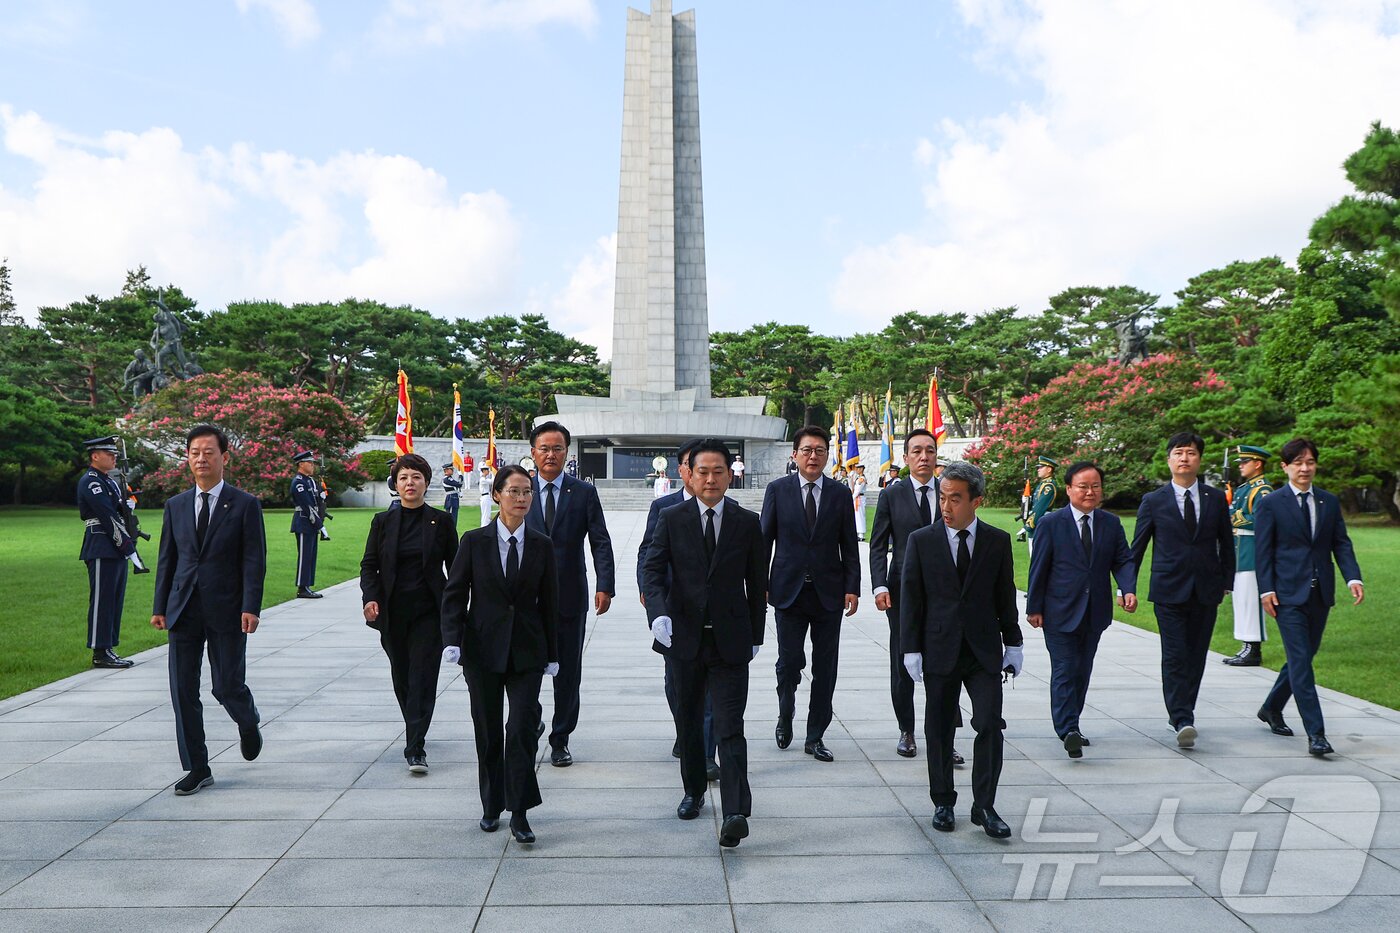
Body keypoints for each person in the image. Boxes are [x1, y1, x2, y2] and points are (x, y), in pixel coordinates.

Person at [643, 439, 768, 848]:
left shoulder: (747, 522)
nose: (711, 479)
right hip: (684, 639)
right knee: (690, 721)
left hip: (731, 642)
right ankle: (693, 790)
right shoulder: (671, 516)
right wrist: (658, 613)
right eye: (703, 472)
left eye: (719, 471)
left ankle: (735, 810)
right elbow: (653, 569)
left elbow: (757, 583)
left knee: (731, 726)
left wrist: (756, 635)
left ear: (731, 475)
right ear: (689, 474)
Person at [901, 461, 1022, 838]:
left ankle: (984, 806)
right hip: (939, 648)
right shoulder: (921, 540)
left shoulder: (997, 541)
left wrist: (1014, 643)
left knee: (989, 724)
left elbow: (1005, 596)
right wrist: (911, 648)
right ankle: (943, 801)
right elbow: (912, 599)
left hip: (983, 651)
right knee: (938, 728)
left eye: (956, 499)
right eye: (942, 497)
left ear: (976, 501)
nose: (946, 506)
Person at [442, 465, 560, 844]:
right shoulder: (473, 542)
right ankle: (491, 804)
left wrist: (553, 652)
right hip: (483, 651)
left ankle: (521, 812)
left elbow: (551, 605)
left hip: (527, 652)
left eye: (527, 492)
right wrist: (452, 639)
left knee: (522, 728)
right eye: (514, 491)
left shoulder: (542, 544)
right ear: (497, 495)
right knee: (489, 730)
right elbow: (455, 595)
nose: (522, 498)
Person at [150, 424, 267, 795]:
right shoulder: (176, 505)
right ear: (188, 458)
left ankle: (248, 722)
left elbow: (254, 561)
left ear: (224, 457)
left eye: (209, 452)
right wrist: (160, 606)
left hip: (228, 609)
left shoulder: (245, 504)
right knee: (182, 690)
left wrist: (251, 606)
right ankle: (197, 767)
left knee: (226, 686)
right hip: (183, 608)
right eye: (194, 453)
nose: (201, 459)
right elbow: (167, 559)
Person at [1255, 438, 1364, 757]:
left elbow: (1340, 543)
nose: (1305, 468)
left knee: (1302, 658)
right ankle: (1316, 734)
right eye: (1298, 463)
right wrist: (1266, 589)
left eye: (1310, 462)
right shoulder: (1271, 503)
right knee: (1302, 661)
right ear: (1285, 467)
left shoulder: (1328, 502)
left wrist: (1352, 577)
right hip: (1286, 594)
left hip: (1320, 593)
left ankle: (1271, 707)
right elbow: (1263, 551)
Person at [761, 425, 860, 763]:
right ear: (795, 455)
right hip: (787, 591)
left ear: (827, 455)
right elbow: (764, 542)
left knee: (825, 667)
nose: (813, 455)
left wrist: (852, 587)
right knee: (789, 662)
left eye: (819, 450)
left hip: (828, 594)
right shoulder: (777, 490)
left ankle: (815, 735)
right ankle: (785, 711)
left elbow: (849, 544)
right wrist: (760, 582)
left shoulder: (839, 494)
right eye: (806, 450)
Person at [1128, 432, 1234, 747]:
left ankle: (1183, 711)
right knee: (1175, 655)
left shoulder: (1215, 499)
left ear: (1199, 459)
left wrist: (1227, 582)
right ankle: (1182, 717)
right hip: (1168, 589)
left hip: (1206, 589)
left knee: (1196, 655)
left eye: (1190, 453)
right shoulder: (1153, 500)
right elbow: (1137, 548)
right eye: (1178, 453)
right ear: (1169, 460)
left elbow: (1227, 544)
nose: (1184, 458)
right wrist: (1127, 586)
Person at [1025, 461, 1137, 759]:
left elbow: (1123, 560)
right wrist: (1033, 606)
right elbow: (1039, 568)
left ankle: (1072, 722)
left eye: (1095, 486)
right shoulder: (1051, 523)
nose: (1090, 492)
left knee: (1082, 670)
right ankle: (1068, 729)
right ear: (1069, 489)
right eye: (1083, 486)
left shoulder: (1110, 524)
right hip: (1058, 610)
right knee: (1064, 668)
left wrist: (1127, 588)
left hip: (1095, 611)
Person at [360, 454, 459, 774]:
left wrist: (457, 609)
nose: (410, 483)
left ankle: (415, 746)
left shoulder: (442, 521)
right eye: (403, 478)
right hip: (393, 613)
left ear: (426, 483)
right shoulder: (382, 522)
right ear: (396, 484)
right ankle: (416, 724)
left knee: (422, 678)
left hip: (429, 613)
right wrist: (370, 598)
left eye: (416, 477)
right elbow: (369, 566)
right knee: (402, 677)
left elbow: (455, 570)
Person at [525, 421, 616, 766]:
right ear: (533, 453)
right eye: (544, 448)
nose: (551, 454)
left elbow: (600, 541)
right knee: (527, 669)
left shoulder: (583, 492)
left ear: (567, 453)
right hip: (526, 598)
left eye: (558, 448)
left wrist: (605, 584)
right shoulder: (521, 490)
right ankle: (530, 721)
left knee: (567, 672)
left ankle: (560, 738)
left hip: (570, 597)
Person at [871, 428, 963, 762]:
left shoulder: (951, 492)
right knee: (904, 658)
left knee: (947, 662)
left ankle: (945, 737)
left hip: (946, 591)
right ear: (906, 458)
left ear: (936, 456)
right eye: (917, 452)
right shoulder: (891, 496)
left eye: (930, 451)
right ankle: (907, 730)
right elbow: (879, 544)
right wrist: (879, 584)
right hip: (903, 591)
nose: (924, 457)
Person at [637, 438, 718, 779]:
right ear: (683, 470)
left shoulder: (727, 511)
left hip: (714, 615)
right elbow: (648, 555)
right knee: (677, 683)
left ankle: (706, 752)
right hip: (675, 610)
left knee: (712, 689)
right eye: (691, 465)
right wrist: (650, 595)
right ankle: (686, 731)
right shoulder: (665, 508)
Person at [78, 436, 145, 669]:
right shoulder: (91, 481)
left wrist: (128, 506)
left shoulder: (110, 481)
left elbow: (118, 510)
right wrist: (127, 547)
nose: (114, 457)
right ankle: (99, 652)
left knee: (114, 599)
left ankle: (108, 647)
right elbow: (107, 516)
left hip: (114, 547)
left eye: (114, 453)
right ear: (95, 456)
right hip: (101, 545)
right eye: (109, 453)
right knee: (102, 600)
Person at [1225, 446, 1273, 666]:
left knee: (1251, 601)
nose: (1241, 466)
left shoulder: (1262, 490)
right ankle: (1245, 645)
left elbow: (1262, 521)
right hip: (1240, 551)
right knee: (1242, 600)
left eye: (1245, 462)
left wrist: (1233, 516)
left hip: (1252, 552)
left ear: (1258, 464)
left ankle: (1254, 649)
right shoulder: (1245, 488)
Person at [289, 451, 324, 598]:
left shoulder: (309, 481)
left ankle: (307, 585)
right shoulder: (298, 482)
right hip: (304, 521)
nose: (312, 465)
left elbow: (316, 501)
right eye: (310, 463)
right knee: (304, 555)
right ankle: (302, 587)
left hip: (312, 521)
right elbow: (306, 505)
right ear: (301, 464)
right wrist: (319, 525)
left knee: (311, 555)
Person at [1023, 456, 1058, 556]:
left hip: (1041, 525)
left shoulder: (1049, 485)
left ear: (1049, 469)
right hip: (1037, 525)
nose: (1038, 469)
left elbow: (1039, 508)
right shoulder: (1042, 484)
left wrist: (1028, 526)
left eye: (1041, 467)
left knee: (1038, 559)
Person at [441, 462, 463, 526]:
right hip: (451, 499)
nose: (453, 470)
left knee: (454, 519)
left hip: (453, 498)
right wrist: (460, 475)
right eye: (451, 469)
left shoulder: (450, 478)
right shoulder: (447, 479)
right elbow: (459, 484)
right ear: (447, 470)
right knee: (451, 519)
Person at [851, 464, 868, 541]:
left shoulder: (861, 479)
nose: (857, 470)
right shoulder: (858, 478)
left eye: (858, 468)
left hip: (859, 498)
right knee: (857, 516)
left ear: (861, 469)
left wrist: (852, 498)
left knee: (860, 516)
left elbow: (857, 490)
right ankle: (858, 533)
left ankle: (861, 534)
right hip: (857, 498)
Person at [478, 463, 494, 527]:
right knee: (486, 514)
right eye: (487, 470)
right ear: (484, 471)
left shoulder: (485, 479)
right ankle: (484, 526)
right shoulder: (482, 479)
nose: (488, 471)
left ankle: (485, 525)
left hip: (487, 497)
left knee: (487, 513)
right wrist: (493, 473)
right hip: (485, 497)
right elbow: (492, 481)